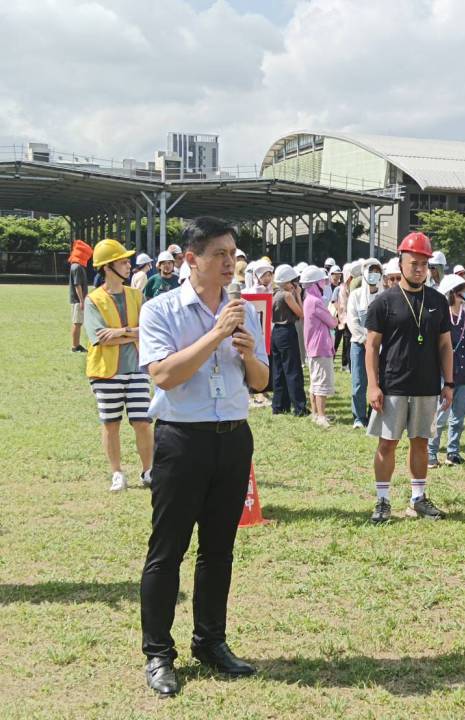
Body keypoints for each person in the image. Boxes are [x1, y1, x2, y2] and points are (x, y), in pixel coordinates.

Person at [137, 216, 269, 697]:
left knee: (219, 550)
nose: (230, 262)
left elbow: (259, 382)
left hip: (232, 438)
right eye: (220, 254)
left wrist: (249, 353)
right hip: (181, 440)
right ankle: (158, 654)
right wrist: (215, 336)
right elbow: (164, 376)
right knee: (167, 550)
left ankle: (211, 641)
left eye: (233, 253)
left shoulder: (243, 310)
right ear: (191, 259)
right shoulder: (161, 310)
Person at [365, 232, 453, 523]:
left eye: (424, 264)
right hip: (392, 385)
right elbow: (371, 346)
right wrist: (373, 385)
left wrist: (449, 383)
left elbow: (445, 345)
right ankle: (382, 500)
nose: (419, 269)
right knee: (387, 443)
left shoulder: (438, 301)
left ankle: (417, 499)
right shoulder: (384, 302)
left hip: (427, 386)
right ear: (401, 263)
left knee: (421, 442)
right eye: (414, 263)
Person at [85, 239, 153, 492]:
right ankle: (117, 473)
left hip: (137, 368)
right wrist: (131, 332)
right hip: (105, 372)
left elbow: (148, 330)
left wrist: (120, 333)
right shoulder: (94, 300)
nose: (128, 265)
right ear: (107, 267)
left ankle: (148, 471)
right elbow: (99, 337)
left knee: (143, 422)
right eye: (123, 261)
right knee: (110, 423)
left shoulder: (136, 295)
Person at [428, 274, 465, 468]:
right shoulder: (439, 316)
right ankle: (432, 451)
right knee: (440, 415)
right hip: (444, 375)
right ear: (452, 293)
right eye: (461, 291)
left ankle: (453, 452)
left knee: (459, 416)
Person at [347, 258, 383, 428]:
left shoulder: (384, 296)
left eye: (377, 271)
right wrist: (364, 340)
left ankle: (374, 414)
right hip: (359, 345)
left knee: (376, 380)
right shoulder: (355, 295)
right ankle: (359, 417)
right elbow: (352, 321)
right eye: (371, 271)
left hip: (380, 346)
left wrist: (376, 342)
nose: (374, 275)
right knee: (358, 382)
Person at [301, 264, 337, 427]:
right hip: (320, 346)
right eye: (321, 282)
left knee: (314, 383)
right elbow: (331, 322)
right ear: (314, 284)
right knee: (321, 382)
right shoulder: (316, 301)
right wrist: (336, 319)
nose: (323, 285)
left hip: (312, 347)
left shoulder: (307, 299)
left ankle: (316, 414)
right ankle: (321, 416)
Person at [270, 264, 307, 416]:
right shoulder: (286, 295)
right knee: (293, 370)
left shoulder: (274, 294)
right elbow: (300, 313)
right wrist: (297, 294)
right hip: (287, 331)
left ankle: (279, 405)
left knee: (278, 370)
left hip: (276, 332)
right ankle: (299, 407)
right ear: (287, 281)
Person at [67, 239, 93, 352]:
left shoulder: (75, 266)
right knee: (77, 322)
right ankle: (75, 345)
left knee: (78, 322)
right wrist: (82, 300)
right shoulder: (77, 267)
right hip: (78, 299)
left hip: (77, 299)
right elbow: (78, 285)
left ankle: (76, 345)